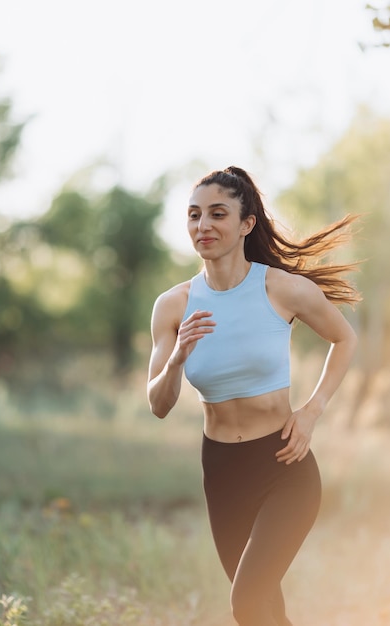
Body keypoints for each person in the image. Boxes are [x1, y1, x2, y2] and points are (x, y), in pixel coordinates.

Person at [147, 166, 360, 626]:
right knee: (261, 614)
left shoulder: (282, 289)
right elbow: (158, 404)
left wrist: (312, 410)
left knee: (245, 601)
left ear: (246, 224)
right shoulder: (173, 305)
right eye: (194, 215)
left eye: (217, 214)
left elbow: (344, 340)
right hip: (222, 471)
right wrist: (178, 356)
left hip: (285, 464)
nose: (203, 226)